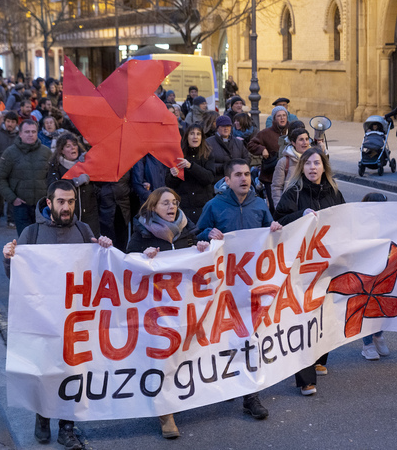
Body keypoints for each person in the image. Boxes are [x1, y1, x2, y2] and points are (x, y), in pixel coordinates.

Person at [2, 180, 112, 450]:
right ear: (49, 202)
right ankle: (42, 417)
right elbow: (16, 276)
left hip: (75, 319)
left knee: (73, 373)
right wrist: (9, 257)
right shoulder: (32, 233)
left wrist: (105, 249)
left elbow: (99, 272)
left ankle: (67, 428)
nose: (66, 207)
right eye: (61, 202)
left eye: (71, 202)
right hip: (43, 320)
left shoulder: (83, 230)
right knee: (45, 371)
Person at [195, 159, 281, 420]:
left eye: (247, 174)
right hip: (224, 286)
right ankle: (227, 381)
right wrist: (208, 234)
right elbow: (196, 234)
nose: (244, 178)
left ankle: (251, 397)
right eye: (238, 175)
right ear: (227, 180)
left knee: (250, 337)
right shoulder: (214, 205)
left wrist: (275, 229)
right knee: (225, 337)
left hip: (254, 283)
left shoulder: (259, 205)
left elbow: (271, 234)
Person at [125, 187, 209, 439]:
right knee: (161, 358)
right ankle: (166, 415)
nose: (172, 207)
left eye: (174, 202)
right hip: (155, 311)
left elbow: (196, 264)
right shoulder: (141, 234)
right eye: (165, 203)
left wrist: (202, 250)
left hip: (184, 308)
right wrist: (142, 257)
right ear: (153, 207)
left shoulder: (187, 231)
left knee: (181, 356)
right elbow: (127, 267)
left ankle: (175, 397)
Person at [273, 146, 343, 394]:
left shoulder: (334, 192)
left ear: (324, 167)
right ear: (302, 167)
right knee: (302, 315)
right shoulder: (293, 192)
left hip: (326, 262)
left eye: (317, 163)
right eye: (308, 163)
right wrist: (300, 216)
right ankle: (305, 377)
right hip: (300, 264)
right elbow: (278, 221)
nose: (313, 167)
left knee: (324, 311)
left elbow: (346, 222)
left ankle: (320, 358)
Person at [0, 119, 52, 237]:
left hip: (42, 206)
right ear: (20, 133)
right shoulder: (10, 153)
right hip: (21, 206)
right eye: (27, 132)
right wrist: (13, 198)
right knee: (26, 240)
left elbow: (53, 177)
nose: (30, 134)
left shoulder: (46, 152)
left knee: (43, 240)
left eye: (33, 132)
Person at [358, 192, 392, 360]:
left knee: (381, 304)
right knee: (367, 305)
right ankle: (367, 344)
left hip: (384, 269)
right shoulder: (359, 226)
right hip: (365, 270)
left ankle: (378, 335)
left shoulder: (390, 224)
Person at [46, 132, 100, 236]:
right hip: (67, 216)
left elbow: (99, 184)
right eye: (68, 146)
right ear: (62, 150)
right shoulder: (55, 167)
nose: (73, 148)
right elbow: (53, 188)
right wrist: (75, 182)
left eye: (75, 145)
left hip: (90, 217)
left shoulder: (85, 164)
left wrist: (90, 163)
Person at [166, 125, 216, 223]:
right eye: (192, 134)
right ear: (187, 136)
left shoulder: (207, 154)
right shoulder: (177, 154)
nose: (195, 137)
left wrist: (191, 166)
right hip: (184, 206)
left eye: (198, 134)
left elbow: (209, 178)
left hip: (203, 206)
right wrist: (174, 175)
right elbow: (169, 183)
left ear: (202, 137)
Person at [248, 104, 290, 212]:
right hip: (271, 176)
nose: (282, 118)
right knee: (274, 207)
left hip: (289, 175)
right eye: (279, 116)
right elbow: (251, 145)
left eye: (284, 115)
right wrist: (262, 149)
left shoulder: (292, 131)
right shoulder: (266, 133)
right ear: (274, 119)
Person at [0, 111, 20, 227]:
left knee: (12, 194)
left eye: (12, 122)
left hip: (15, 171)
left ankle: (11, 219)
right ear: (4, 121)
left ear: (16, 123)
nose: (10, 124)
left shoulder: (20, 136)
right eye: (8, 121)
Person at [271, 126, 312, 206]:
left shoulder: (314, 160)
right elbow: (276, 187)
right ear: (293, 142)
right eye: (301, 139)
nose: (305, 142)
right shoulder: (284, 162)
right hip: (291, 206)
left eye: (307, 139)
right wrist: (279, 207)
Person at [206, 115, 250, 182]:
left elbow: (247, 158)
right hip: (217, 181)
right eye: (223, 126)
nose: (226, 128)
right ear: (217, 127)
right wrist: (225, 167)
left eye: (228, 126)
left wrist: (238, 167)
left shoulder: (238, 142)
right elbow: (206, 164)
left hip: (237, 181)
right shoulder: (208, 142)